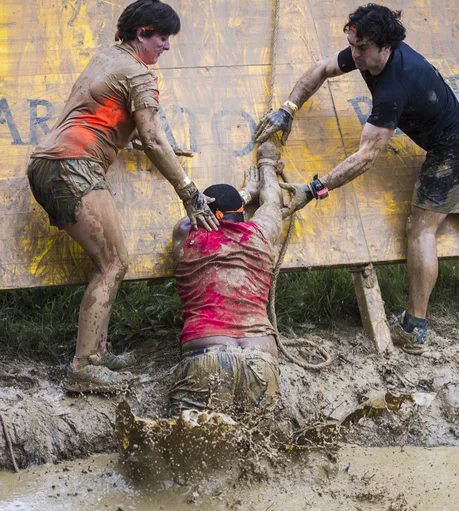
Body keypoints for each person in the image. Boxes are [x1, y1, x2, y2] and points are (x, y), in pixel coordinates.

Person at [26, 0, 218, 392]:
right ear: (143, 33)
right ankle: (82, 367)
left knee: (110, 261)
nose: (166, 47)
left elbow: (103, 118)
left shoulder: (108, 58)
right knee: (114, 262)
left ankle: (96, 352)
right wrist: (190, 193)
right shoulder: (141, 75)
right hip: (73, 165)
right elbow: (149, 134)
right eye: (163, 38)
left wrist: (156, 146)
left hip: (49, 164)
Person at [256, 3, 459, 355]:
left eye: (361, 49)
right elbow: (321, 69)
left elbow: (366, 156)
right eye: (352, 45)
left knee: (422, 228)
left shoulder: (395, 84)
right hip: (445, 139)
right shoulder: (367, 53)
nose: (353, 55)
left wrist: (316, 188)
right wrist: (287, 109)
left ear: (385, 46)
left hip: (451, 151)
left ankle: (415, 328)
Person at [168, 140, 287, 429]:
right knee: (257, 452)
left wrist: (241, 195)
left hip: (206, 354)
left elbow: (191, 219)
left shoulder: (187, 236)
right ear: (242, 212)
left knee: (191, 451)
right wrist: (267, 161)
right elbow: (273, 202)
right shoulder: (261, 233)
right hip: (261, 359)